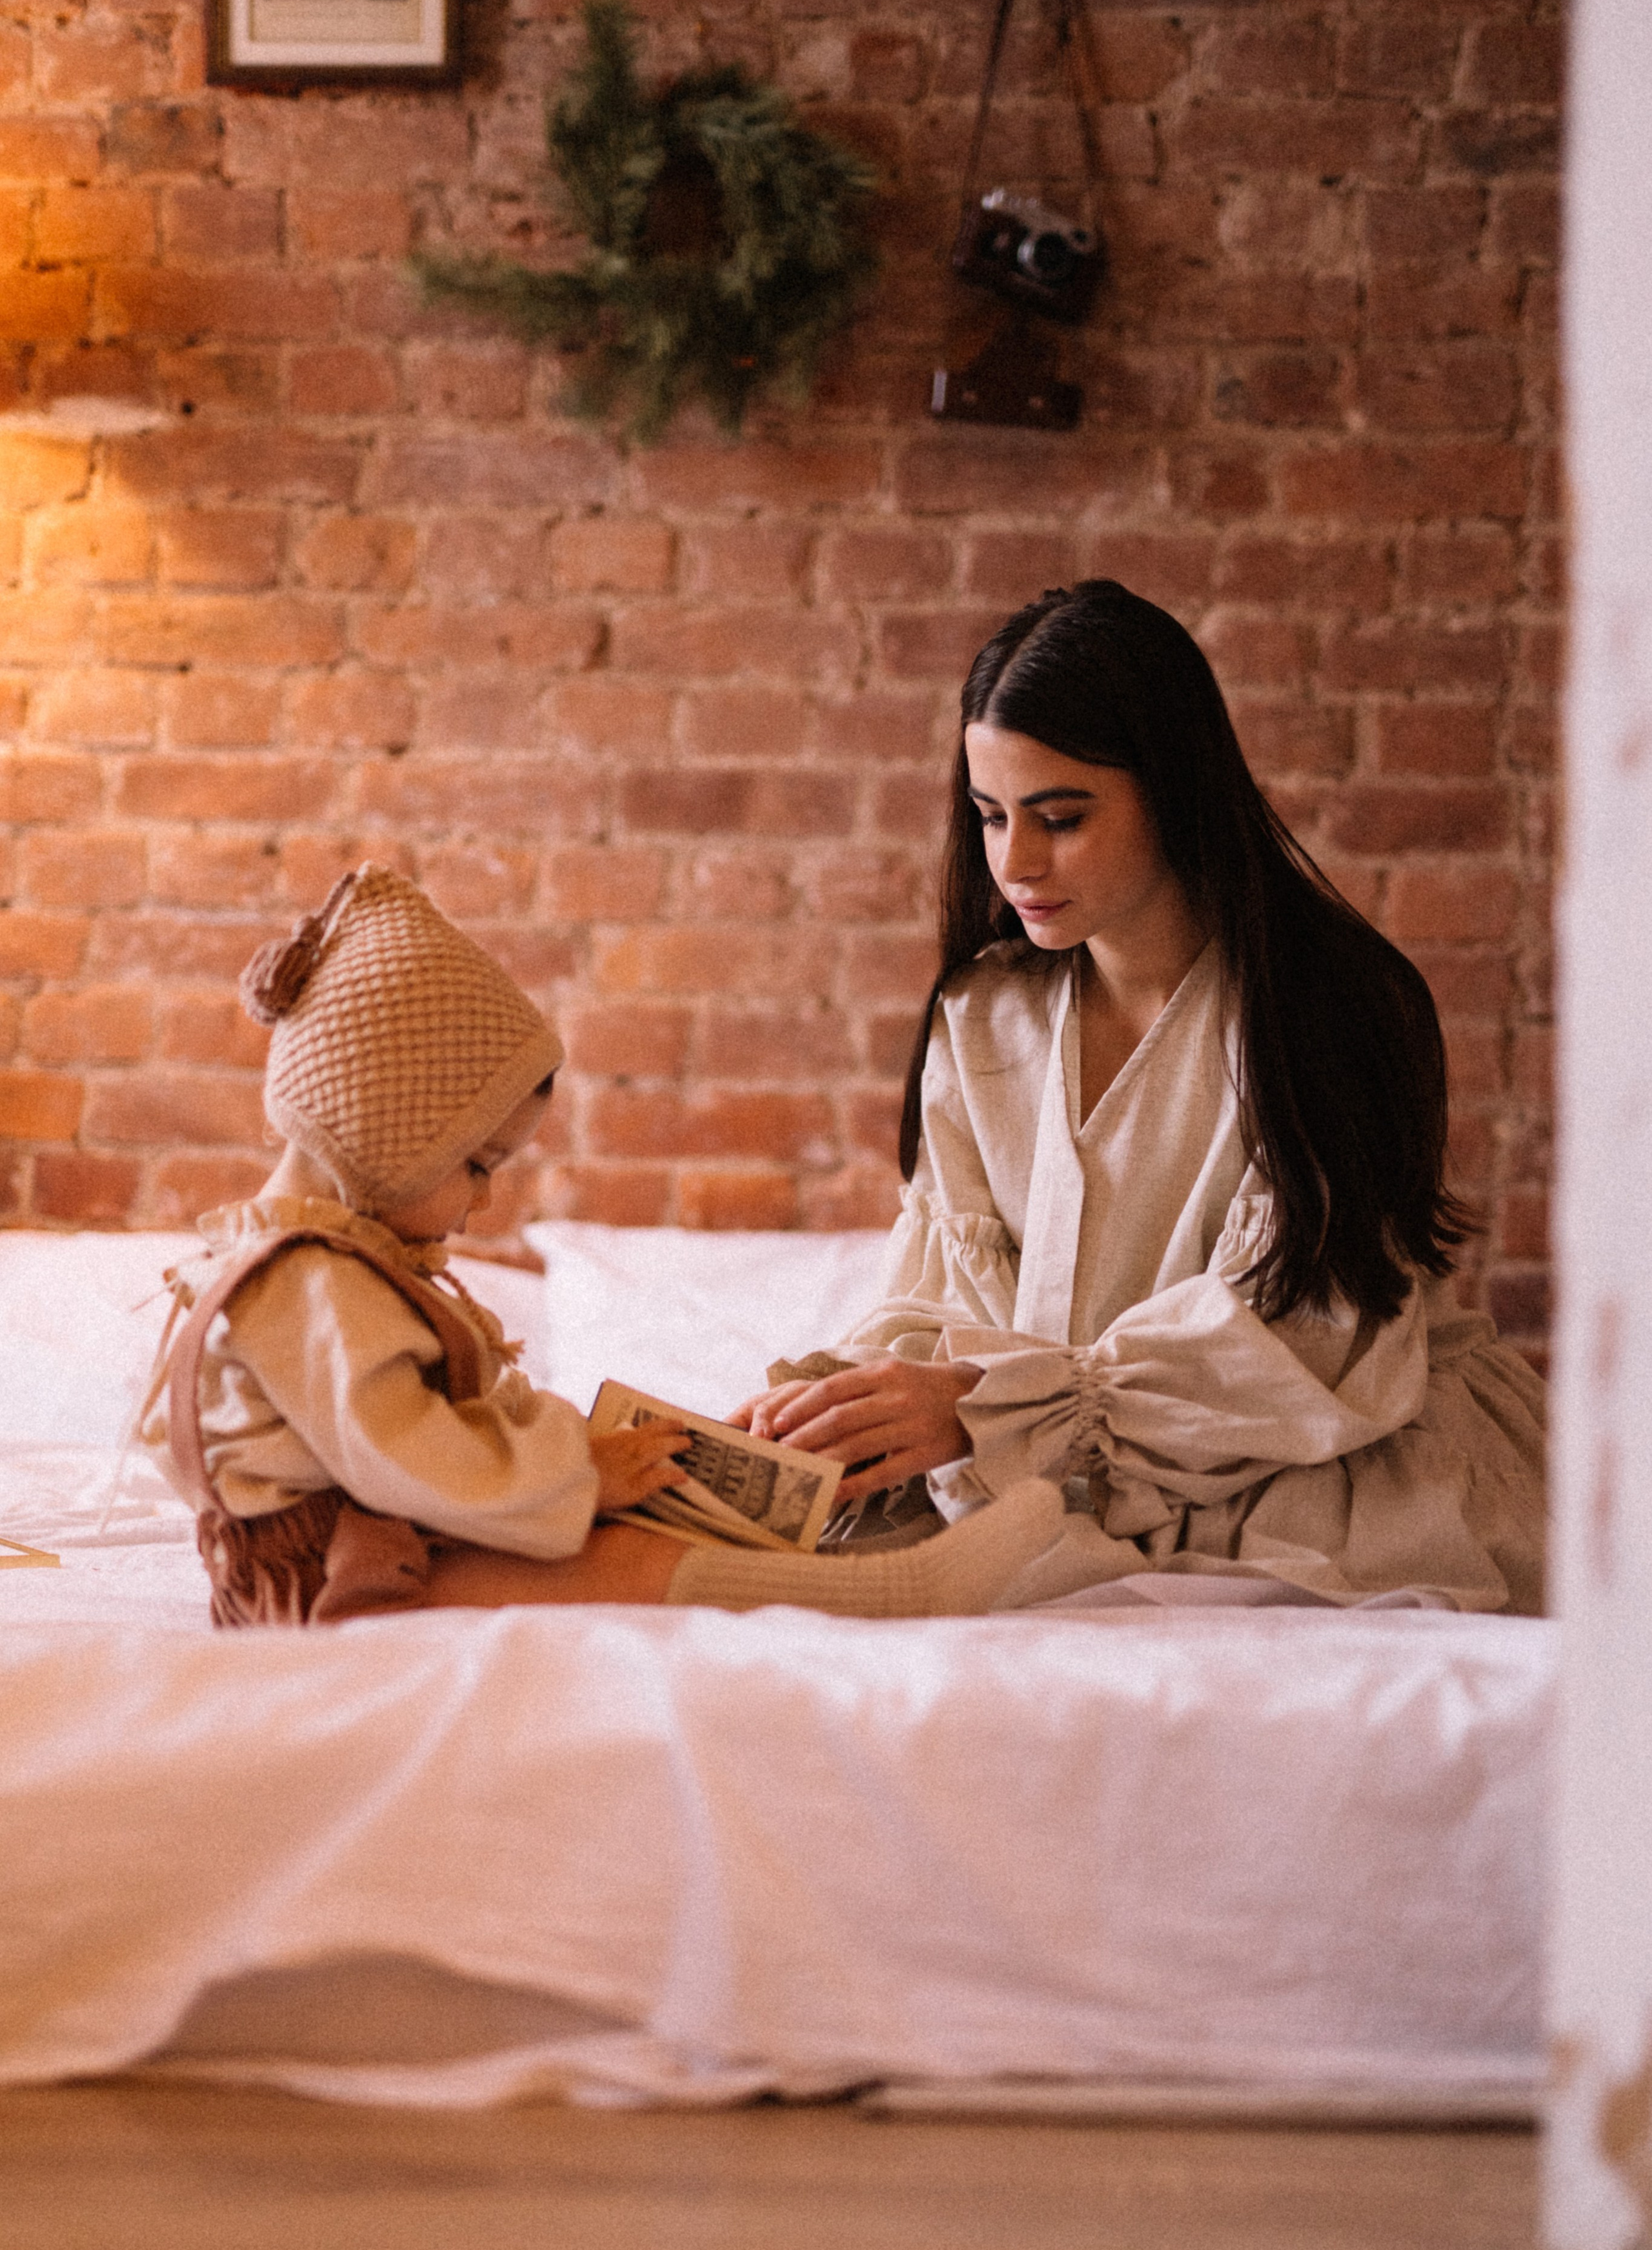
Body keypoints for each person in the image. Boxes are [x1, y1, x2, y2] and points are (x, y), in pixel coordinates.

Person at [738, 581, 1546, 1613]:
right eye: (990, 817)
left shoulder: (1333, 1009)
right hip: (1053, 1472)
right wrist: (833, 1409)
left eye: (1060, 817)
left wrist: (998, 1405)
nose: (1016, 861)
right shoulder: (983, 1015)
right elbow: (943, 1304)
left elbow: (1307, 1343)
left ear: (1173, 787)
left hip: (1340, 1470)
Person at [140, 865, 1060, 1627]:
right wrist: (577, 1472)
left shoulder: (327, 1264)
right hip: (336, 1579)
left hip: (386, 1531)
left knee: (608, 1535)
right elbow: (408, 1454)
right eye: (474, 1163)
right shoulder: (303, 1282)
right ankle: (898, 1594)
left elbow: (427, 1443)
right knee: (614, 1560)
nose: (484, 1197)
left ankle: (834, 1554)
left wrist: (583, 1452)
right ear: (386, 1136)